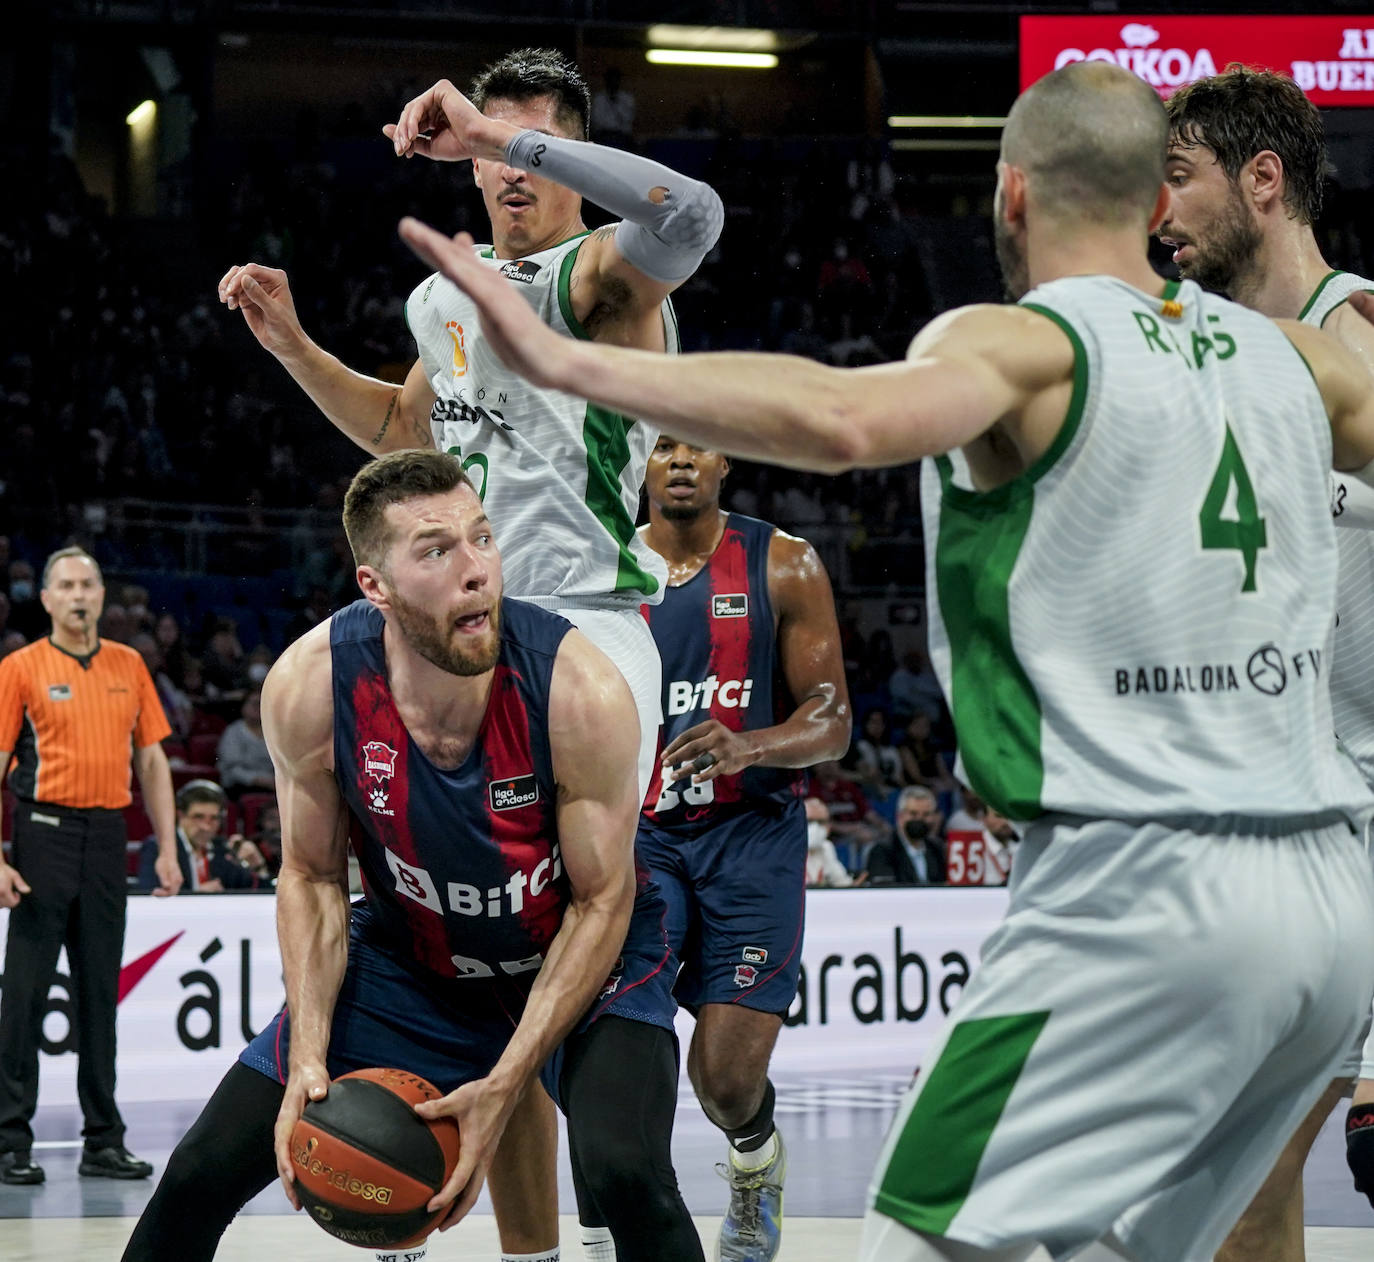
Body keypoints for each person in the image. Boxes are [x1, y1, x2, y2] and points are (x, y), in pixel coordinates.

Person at [399, 59, 1374, 1262]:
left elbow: (842, 419)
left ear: (1011, 197)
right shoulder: (1302, 359)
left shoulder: (1026, 341)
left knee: (915, 1240)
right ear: (1153, 206)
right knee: (1199, 1238)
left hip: (1143, 889)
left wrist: (575, 366)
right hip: (1330, 900)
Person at [219, 50, 722, 1258]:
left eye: (527, 149)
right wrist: (294, 347)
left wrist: (513, 139)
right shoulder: (445, 298)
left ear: (566, 160)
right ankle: (532, 1241)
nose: (503, 170)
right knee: (480, 939)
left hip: (587, 619)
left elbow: (687, 213)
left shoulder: (602, 278)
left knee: (550, 916)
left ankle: (594, 1172)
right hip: (458, 604)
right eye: (490, 148)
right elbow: (406, 428)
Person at [121, 451, 701, 1262]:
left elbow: (602, 900)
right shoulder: (310, 686)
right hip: (414, 960)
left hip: (582, 951)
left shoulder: (580, 690)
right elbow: (314, 877)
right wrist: (310, 1060)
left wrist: (507, 1082)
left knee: (628, 1173)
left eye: (483, 538)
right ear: (375, 586)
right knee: (196, 1175)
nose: (477, 573)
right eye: (436, 551)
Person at [1159, 65, 1374, 1262]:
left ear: (1265, 180)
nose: (1161, 214)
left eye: (1180, 179)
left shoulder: (1361, 330)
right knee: (1242, 1167)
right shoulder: (1199, 362)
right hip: (1281, 816)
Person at [629, 435, 850, 1261]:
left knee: (723, 1083)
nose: (681, 460)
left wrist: (750, 746)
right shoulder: (602, 564)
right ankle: (624, 1222)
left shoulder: (784, 563)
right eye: (661, 446)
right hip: (641, 839)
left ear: (727, 465)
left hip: (749, 839)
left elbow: (833, 720)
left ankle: (755, 1164)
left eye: (700, 446)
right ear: (639, 467)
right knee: (621, 1047)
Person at [0, 547, 181, 1187]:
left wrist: (167, 846)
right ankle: (8, 1141)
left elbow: (153, 761)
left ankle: (103, 1140)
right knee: (22, 994)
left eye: (89, 584)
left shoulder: (130, 665)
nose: (79, 595)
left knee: (101, 994)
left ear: (102, 596)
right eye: (67, 586)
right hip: (41, 834)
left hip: (108, 837)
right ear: (46, 599)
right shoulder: (19, 668)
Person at [137, 779, 272, 893]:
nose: (205, 826)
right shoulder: (159, 847)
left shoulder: (224, 850)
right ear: (180, 816)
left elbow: (259, 896)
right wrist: (198, 896)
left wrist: (258, 866)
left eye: (213, 818)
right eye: (198, 817)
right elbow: (150, 894)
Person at [863, 786, 946, 887]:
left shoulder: (937, 848)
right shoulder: (882, 851)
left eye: (926, 814)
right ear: (900, 817)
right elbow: (884, 891)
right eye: (913, 814)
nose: (919, 819)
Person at [216, 688, 276, 799]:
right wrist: (258, 780)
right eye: (255, 703)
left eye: (262, 703)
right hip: (240, 787)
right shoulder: (233, 732)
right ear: (243, 707)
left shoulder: (273, 733)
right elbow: (232, 769)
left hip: (271, 786)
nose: (258, 707)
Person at [804, 797, 855, 889]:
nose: (815, 827)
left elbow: (841, 881)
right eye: (809, 821)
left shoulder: (827, 847)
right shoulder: (785, 850)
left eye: (821, 822)